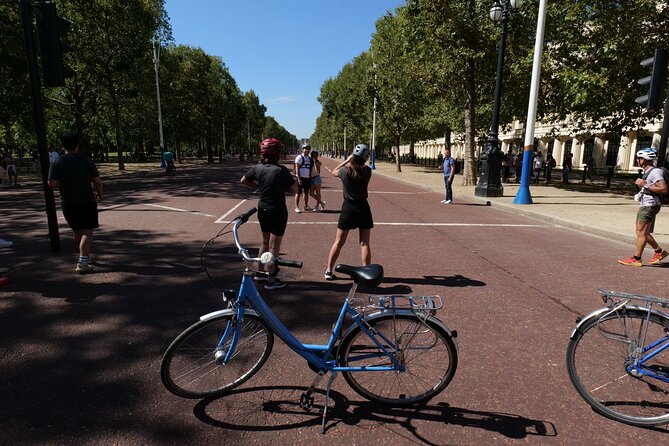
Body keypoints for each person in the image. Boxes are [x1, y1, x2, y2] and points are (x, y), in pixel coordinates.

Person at [241, 138, 297, 290]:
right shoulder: (280, 170)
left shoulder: (258, 168)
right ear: (277, 153)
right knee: (274, 245)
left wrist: (259, 186)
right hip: (277, 209)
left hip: (263, 208)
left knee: (265, 241)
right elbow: (295, 190)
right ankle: (271, 278)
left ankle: (260, 272)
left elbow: (243, 180)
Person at [48, 132, 103, 274]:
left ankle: (82, 257)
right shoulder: (86, 161)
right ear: (77, 145)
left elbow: (52, 183)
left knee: (77, 230)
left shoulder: (57, 162)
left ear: (62, 145)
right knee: (88, 232)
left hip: (67, 202)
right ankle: (83, 262)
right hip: (86, 201)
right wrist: (100, 192)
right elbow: (97, 180)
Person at [325, 144, 373, 280]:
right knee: (364, 243)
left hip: (348, 207)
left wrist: (347, 160)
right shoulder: (368, 171)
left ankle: (329, 270)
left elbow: (334, 171)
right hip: (363, 207)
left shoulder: (345, 171)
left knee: (339, 242)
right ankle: (367, 272)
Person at [618, 149, 668, 267]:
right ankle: (659, 252)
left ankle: (637, 259)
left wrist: (643, 184)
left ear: (644, 160)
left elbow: (664, 189)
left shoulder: (655, 172)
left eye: (639, 158)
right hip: (647, 204)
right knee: (642, 232)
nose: (637, 160)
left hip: (649, 205)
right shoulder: (649, 171)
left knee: (641, 232)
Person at [294, 143, 313, 213]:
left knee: (306, 192)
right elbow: (297, 168)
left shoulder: (310, 158)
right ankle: (296, 207)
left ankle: (306, 206)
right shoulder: (299, 157)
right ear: (302, 150)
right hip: (300, 177)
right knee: (298, 192)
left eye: (308, 149)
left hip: (307, 178)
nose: (307, 150)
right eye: (305, 149)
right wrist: (299, 178)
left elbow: (311, 168)